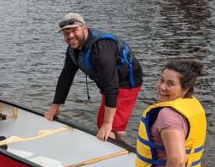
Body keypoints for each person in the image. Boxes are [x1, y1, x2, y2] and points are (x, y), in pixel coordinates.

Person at [120, 59, 206, 167]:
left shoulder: (168, 116)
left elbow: (178, 161)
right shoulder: (192, 104)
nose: (162, 87)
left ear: (184, 89)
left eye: (170, 84)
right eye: (161, 80)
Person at [44, 12, 143, 141]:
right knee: (101, 122)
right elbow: (65, 77)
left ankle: (117, 145)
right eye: (66, 33)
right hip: (109, 81)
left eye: (74, 31)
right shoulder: (73, 49)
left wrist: (108, 124)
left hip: (126, 82)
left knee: (111, 127)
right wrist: (55, 107)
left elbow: (111, 87)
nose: (71, 36)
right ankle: (111, 136)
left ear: (84, 28)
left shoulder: (100, 49)